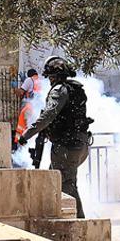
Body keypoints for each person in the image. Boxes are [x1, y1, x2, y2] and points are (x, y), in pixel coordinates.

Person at [19, 56, 92, 218]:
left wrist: (26, 135)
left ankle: (79, 222)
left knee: (66, 185)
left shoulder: (59, 90)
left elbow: (48, 115)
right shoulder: (74, 90)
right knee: (54, 182)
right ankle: (52, 218)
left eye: (50, 77)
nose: (50, 80)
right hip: (79, 144)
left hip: (67, 146)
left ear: (53, 76)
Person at [13, 68, 41, 149]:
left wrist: (14, 87)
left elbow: (20, 92)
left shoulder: (29, 80)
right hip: (37, 109)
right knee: (31, 128)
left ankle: (19, 147)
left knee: (21, 127)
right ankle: (29, 148)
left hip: (28, 108)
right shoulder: (40, 81)